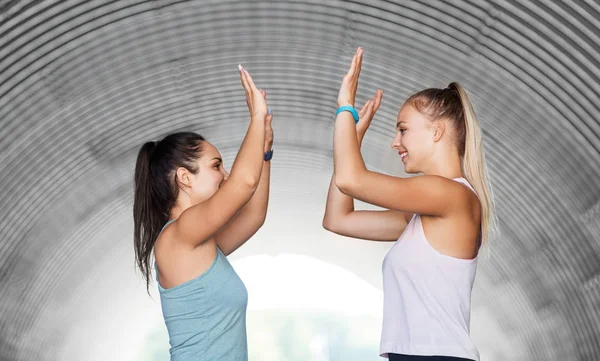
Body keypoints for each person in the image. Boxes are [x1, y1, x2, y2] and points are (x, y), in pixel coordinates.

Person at [323, 47, 495, 361]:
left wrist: (345, 107)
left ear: (437, 131)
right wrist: (354, 141)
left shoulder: (449, 195)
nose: (395, 142)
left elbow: (351, 179)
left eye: (403, 130)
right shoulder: (425, 212)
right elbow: (338, 219)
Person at [133, 64, 273, 361]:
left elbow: (254, 215)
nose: (225, 174)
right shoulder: (180, 234)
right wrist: (257, 117)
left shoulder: (199, 242)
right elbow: (244, 183)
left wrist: (265, 152)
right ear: (185, 177)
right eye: (216, 165)